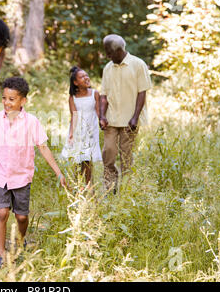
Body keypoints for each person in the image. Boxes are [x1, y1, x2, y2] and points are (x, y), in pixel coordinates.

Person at [0, 77, 66, 269]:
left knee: (22, 217)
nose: (7, 103)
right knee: (1, 212)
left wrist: (58, 173)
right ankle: (1, 254)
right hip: (0, 174)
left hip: (22, 176)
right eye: (4, 98)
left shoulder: (32, 122)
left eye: (12, 99)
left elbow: (44, 148)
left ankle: (20, 243)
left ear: (23, 101)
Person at [99, 34, 152, 194]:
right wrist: (102, 115)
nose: (107, 56)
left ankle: (126, 192)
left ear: (119, 50)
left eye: (109, 53)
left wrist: (135, 117)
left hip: (130, 121)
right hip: (111, 119)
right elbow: (104, 95)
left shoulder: (138, 64)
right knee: (108, 153)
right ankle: (110, 190)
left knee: (126, 157)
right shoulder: (108, 68)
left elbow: (142, 92)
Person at [61, 66, 102, 187]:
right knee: (78, 161)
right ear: (75, 82)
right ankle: (78, 188)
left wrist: (103, 123)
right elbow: (74, 116)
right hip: (79, 132)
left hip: (91, 132)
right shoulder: (73, 98)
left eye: (86, 75)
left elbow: (99, 112)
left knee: (88, 161)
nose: (86, 78)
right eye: (82, 77)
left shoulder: (95, 94)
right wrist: (71, 134)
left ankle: (90, 188)